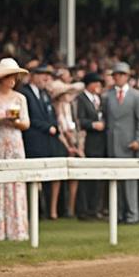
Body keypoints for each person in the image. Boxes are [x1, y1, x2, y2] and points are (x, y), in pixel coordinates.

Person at [0, 58, 29, 240]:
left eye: (15, 77)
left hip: (15, 141)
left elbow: (26, 123)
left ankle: (16, 227)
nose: (13, 80)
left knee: (15, 181)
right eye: (10, 76)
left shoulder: (20, 98)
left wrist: (15, 121)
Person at [102, 62, 139, 223]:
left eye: (121, 74)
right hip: (112, 144)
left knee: (130, 182)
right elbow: (106, 119)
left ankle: (132, 215)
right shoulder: (107, 96)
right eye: (116, 75)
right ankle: (118, 215)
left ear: (127, 76)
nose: (118, 77)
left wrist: (138, 140)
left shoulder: (136, 96)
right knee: (116, 183)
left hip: (130, 145)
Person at [20, 64, 59, 219]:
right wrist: (47, 127)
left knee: (45, 178)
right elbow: (29, 118)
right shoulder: (25, 93)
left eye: (48, 75)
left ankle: (43, 212)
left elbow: (51, 115)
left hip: (46, 142)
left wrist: (54, 126)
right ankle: (31, 212)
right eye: (43, 74)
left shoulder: (45, 94)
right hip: (32, 141)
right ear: (33, 76)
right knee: (32, 178)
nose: (46, 78)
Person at [74, 71, 106, 219]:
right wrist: (93, 125)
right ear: (89, 84)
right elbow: (79, 120)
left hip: (100, 142)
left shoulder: (98, 98)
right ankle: (83, 210)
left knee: (98, 179)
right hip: (87, 142)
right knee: (86, 178)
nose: (98, 86)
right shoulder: (81, 99)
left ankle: (95, 208)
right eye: (96, 83)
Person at [50, 80, 83, 220]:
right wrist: (68, 145)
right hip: (59, 143)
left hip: (73, 143)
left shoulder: (70, 107)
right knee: (57, 178)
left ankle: (71, 208)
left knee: (74, 176)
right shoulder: (54, 108)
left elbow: (75, 127)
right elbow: (59, 130)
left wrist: (76, 146)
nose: (67, 96)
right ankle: (53, 210)